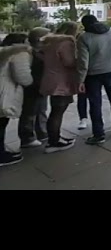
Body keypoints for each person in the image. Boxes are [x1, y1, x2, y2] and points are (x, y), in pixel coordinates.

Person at [77, 15, 111, 145]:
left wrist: (80, 80)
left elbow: (83, 61)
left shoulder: (84, 37)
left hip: (93, 74)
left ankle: (99, 134)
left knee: (95, 104)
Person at [40, 22, 81, 153]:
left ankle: (55, 137)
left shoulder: (48, 42)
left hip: (50, 78)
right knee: (58, 112)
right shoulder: (66, 43)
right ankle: (54, 142)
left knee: (55, 110)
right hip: (62, 81)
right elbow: (69, 62)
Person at [0, 33, 33, 167]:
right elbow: (23, 77)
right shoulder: (20, 54)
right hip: (5, 93)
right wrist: (30, 81)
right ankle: (1, 155)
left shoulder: (3, 52)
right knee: (1, 124)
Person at [19, 27, 50, 148]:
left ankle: (42, 132)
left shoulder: (40, 52)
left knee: (41, 110)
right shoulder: (30, 53)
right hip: (33, 87)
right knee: (29, 112)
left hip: (40, 86)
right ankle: (27, 138)